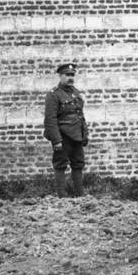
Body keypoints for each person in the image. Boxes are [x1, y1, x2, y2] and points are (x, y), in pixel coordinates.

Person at [44, 63, 88, 197]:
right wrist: (56, 140)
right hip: (63, 136)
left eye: (72, 75)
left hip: (77, 135)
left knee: (78, 164)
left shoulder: (75, 93)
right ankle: (62, 197)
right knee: (60, 165)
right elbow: (50, 120)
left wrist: (84, 134)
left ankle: (80, 195)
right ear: (60, 76)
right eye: (67, 75)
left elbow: (80, 115)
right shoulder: (53, 95)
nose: (70, 78)